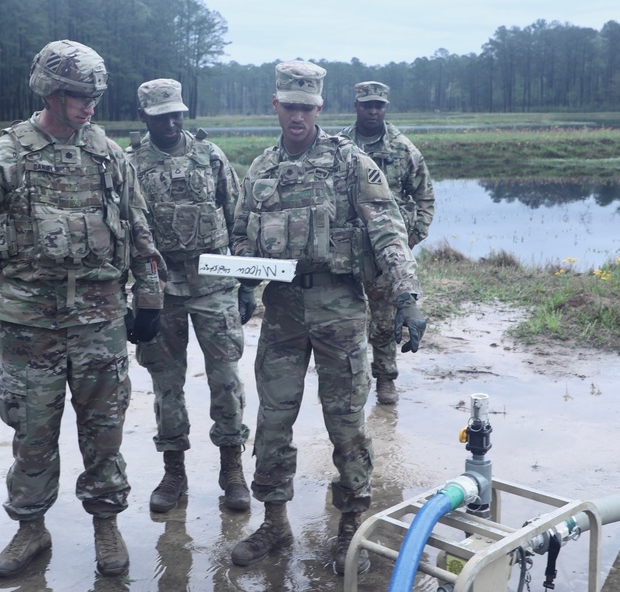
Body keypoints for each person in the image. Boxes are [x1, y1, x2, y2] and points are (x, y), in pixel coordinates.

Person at [0, 40, 165, 580]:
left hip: (99, 318)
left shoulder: (108, 155)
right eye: (80, 96)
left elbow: (139, 229)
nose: (90, 106)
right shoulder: (7, 155)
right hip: (28, 320)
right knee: (33, 430)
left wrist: (149, 298)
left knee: (104, 428)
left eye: (96, 96)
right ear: (51, 92)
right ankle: (30, 527)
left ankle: (105, 522)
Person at [228, 61, 426, 575]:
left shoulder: (350, 162)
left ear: (319, 108)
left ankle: (350, 525)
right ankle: (274, 520)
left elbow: (388, 230)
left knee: (346, 421)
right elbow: (240, 238)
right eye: (289, 106)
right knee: (273, 418)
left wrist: (407, 295)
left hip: (339, 306)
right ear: (276, 106)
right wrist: (246, 285)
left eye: (307, 107)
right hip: (284, 310)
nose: (297, 116)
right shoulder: (261, 169)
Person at [125, 78, 252, 514]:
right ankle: (173, 470)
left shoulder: (209, 155)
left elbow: (237, 221)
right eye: (162, 116)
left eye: (178, 113)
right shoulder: (131, 164)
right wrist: (136, 300)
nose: (172, 122)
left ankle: (231, 468)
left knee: (226, 379)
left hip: (214, 282)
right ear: (144, 117)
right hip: (160, 288)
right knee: (166, 384)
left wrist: (247, 285)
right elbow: (125, 233)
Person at [340, 81, 435, 404]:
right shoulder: (340, 145)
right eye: (367, 105)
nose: (373, 111)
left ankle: (385, 379)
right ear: (357, 106)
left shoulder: (403, 149)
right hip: (347, 249)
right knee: (344, 317)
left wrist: (409, 240)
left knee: (383, 318)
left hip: (387, 253)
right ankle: (348, 381)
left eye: (379, 105)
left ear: (386, 108)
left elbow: (424, 197)